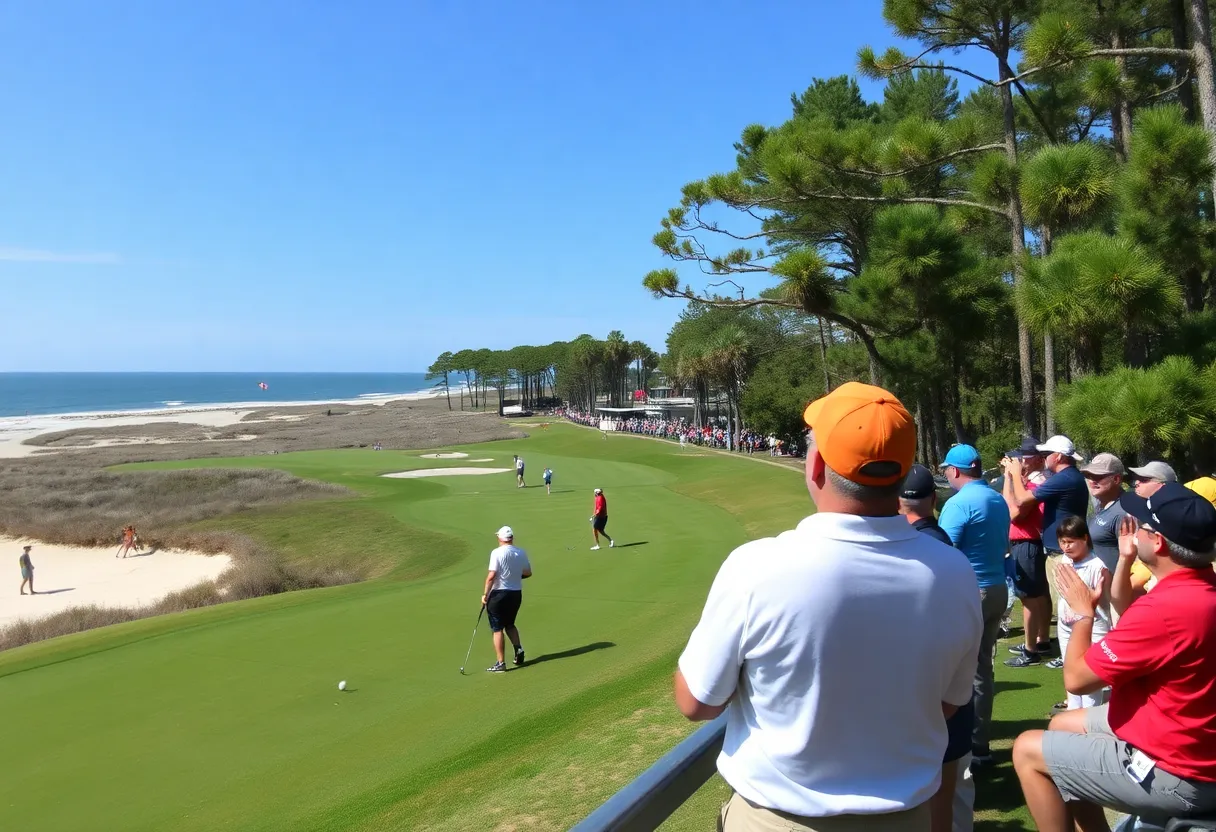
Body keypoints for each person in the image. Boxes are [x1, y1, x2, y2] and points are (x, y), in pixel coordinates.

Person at [675, 382, 981, 832]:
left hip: (778, 821)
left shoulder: (757, 566)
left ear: (816, 464)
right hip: (907, 819)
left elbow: (696, 702)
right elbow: (949, 704)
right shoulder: (955, 572)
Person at [1012, 481, 1216, 829]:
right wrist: (1125, 558)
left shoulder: (1164, 608)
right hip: (1189, 740)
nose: (1133, 531)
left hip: (1182, 774)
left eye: (1141, 527)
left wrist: (1083, 615)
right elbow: (1134, 614)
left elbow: (1076, 680)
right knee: (1062, 724)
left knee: (1027, 750)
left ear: (1159, 542)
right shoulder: (1201, 589)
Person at [901, 462, 977, 832]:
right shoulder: (944, 546)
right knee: (956, 794)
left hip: (936, 706)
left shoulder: (916, 552)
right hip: (955, 699)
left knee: (941, 804)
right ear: (933, 499)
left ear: (899, 504)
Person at [938, 444, 1011, 768]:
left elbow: (944, 551)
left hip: (972, 592)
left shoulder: (959, 503)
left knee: (955, 669)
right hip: (997, 589)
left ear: (954, 471)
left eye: (946, 470)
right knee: (983, 666)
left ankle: (958, 744)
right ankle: (979, 744)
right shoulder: (997, 498)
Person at [1005, 435, 1089, 669]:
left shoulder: (1065, 478)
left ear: (1059, 456)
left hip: (1063, 550)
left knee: (1067, 605)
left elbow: (1021, 500)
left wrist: (1012, 474)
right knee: (1061, 603)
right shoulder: (1067, 477)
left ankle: (1070, 653)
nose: (1044, 458)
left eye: (1047, 454)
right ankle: (1065, 651)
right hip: (1058, 548)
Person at [1051, 516, 1111, 711]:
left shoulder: (1097, 565)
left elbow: (1105, 600)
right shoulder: (1063, 562)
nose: (1066, 547)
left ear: (1084, 539)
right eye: (1062, 542)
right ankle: (1073, 712)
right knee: (1071, 668)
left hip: (1093, 625)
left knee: (1088, 670)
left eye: (1071, 542)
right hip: (1066, 624)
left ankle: (1089, 715)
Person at [1001, 439, 1050, 666]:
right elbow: (1006, 504)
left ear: (1039, 459)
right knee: (1037, 594)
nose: (1020, 462)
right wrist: (1010, 478)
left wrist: (1012, 478)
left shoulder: (1037, 482)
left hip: (1027, 543)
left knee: (1029, 597)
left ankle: (1031, 650)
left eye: (1025, 457)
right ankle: (1040, 641)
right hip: (1026, 543)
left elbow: (1012, 513)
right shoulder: (1028, 482)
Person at [481, 525, 532, 673]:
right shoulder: (521, 552)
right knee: (510, 624)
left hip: (498, 595)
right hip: (515, 594)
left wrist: (485, 594)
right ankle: (519, 649)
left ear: (500, 538)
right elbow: (528, 573)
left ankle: (500, 663)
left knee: (497, 629)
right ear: (511, 538)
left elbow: (491, 576)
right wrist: (515, 577)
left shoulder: (496, 553)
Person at [1080, 453, 1127, 573]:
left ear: (1116, 479)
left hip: (1113, 586)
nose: (1091, 481)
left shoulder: (1123, 513)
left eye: (1098, 476)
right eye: (1088, 475)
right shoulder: (1099, 504)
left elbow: (1132, 559)